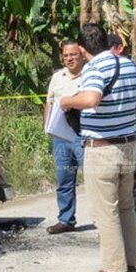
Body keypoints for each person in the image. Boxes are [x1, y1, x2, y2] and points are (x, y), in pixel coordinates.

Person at [61, 24, 136, 272]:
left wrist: (68, 101)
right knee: (126, 206)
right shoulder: (128, 64)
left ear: (83, 49)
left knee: (105, 211)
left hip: (102, 149)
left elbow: (92, 99)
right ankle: (130, 263)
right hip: (128, 145)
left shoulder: (95, 68)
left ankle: (113, 269)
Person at [108, 33, 136, 254]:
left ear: (119, 48)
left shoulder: (129, 68)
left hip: (131, 134)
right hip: (116, 136)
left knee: (131, 185)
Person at [43, 41, 86, 234]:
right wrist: (47, 127)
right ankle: (66, 220)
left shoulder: (91, 75)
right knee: (64, 180)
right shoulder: (57, 77)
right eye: (66, 55)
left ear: (82, 55)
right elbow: (50, 103)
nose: (69, 58)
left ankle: (106, 222)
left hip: (84, 135)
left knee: (95, 179)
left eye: (73, 55)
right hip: (61, 136)